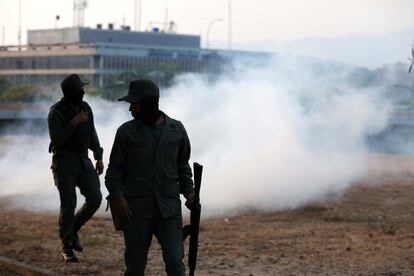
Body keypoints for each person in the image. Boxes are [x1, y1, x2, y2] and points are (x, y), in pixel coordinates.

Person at [105, 79, 194, 276]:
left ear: (147, 104)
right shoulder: (126, 132)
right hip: (136, 211)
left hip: (168, 209)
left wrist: (189, 192)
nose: (130, 110)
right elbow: (114, 170)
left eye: (133, 104)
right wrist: (118, 196)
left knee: (175, 262)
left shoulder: (176, 130)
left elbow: (183, 166)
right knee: (135, 266)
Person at [48, 74, 104, 262]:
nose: (83, 91)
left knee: (95, 198)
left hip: (83, 160)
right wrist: (74, 122)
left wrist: (98, 156)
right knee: (69, 204)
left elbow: (91, 134)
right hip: (63, 163)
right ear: (71, 92)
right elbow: (57, 140)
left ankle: (73, 231)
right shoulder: (56, 112)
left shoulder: (85, 107)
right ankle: (66, 246)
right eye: (79, 89)